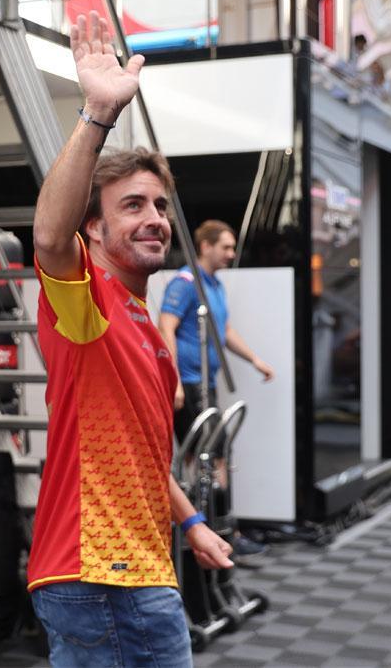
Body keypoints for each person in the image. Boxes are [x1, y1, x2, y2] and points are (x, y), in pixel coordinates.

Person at [26, 11, 233, 668]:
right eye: (132, 205)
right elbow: (49, 239)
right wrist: (96, 113)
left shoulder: (145, 325)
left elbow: (143, 457)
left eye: (160, 205)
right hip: (104, 578)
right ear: (95, 229)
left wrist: (190, 520)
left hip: (135, 571)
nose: (154, 218)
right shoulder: (89, 306)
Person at [158, 220, 274, 561]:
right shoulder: (185, 282)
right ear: (205, 246)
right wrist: (174, 381)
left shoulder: (215, 285)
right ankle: (214, 536)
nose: (231, 253)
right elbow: (166, 326)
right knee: (206, 458)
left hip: (206, 383)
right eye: (224, 246)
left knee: (216, 456)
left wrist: (255, 359)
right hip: (190, 384)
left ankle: (221, 532)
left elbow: (223, 330)